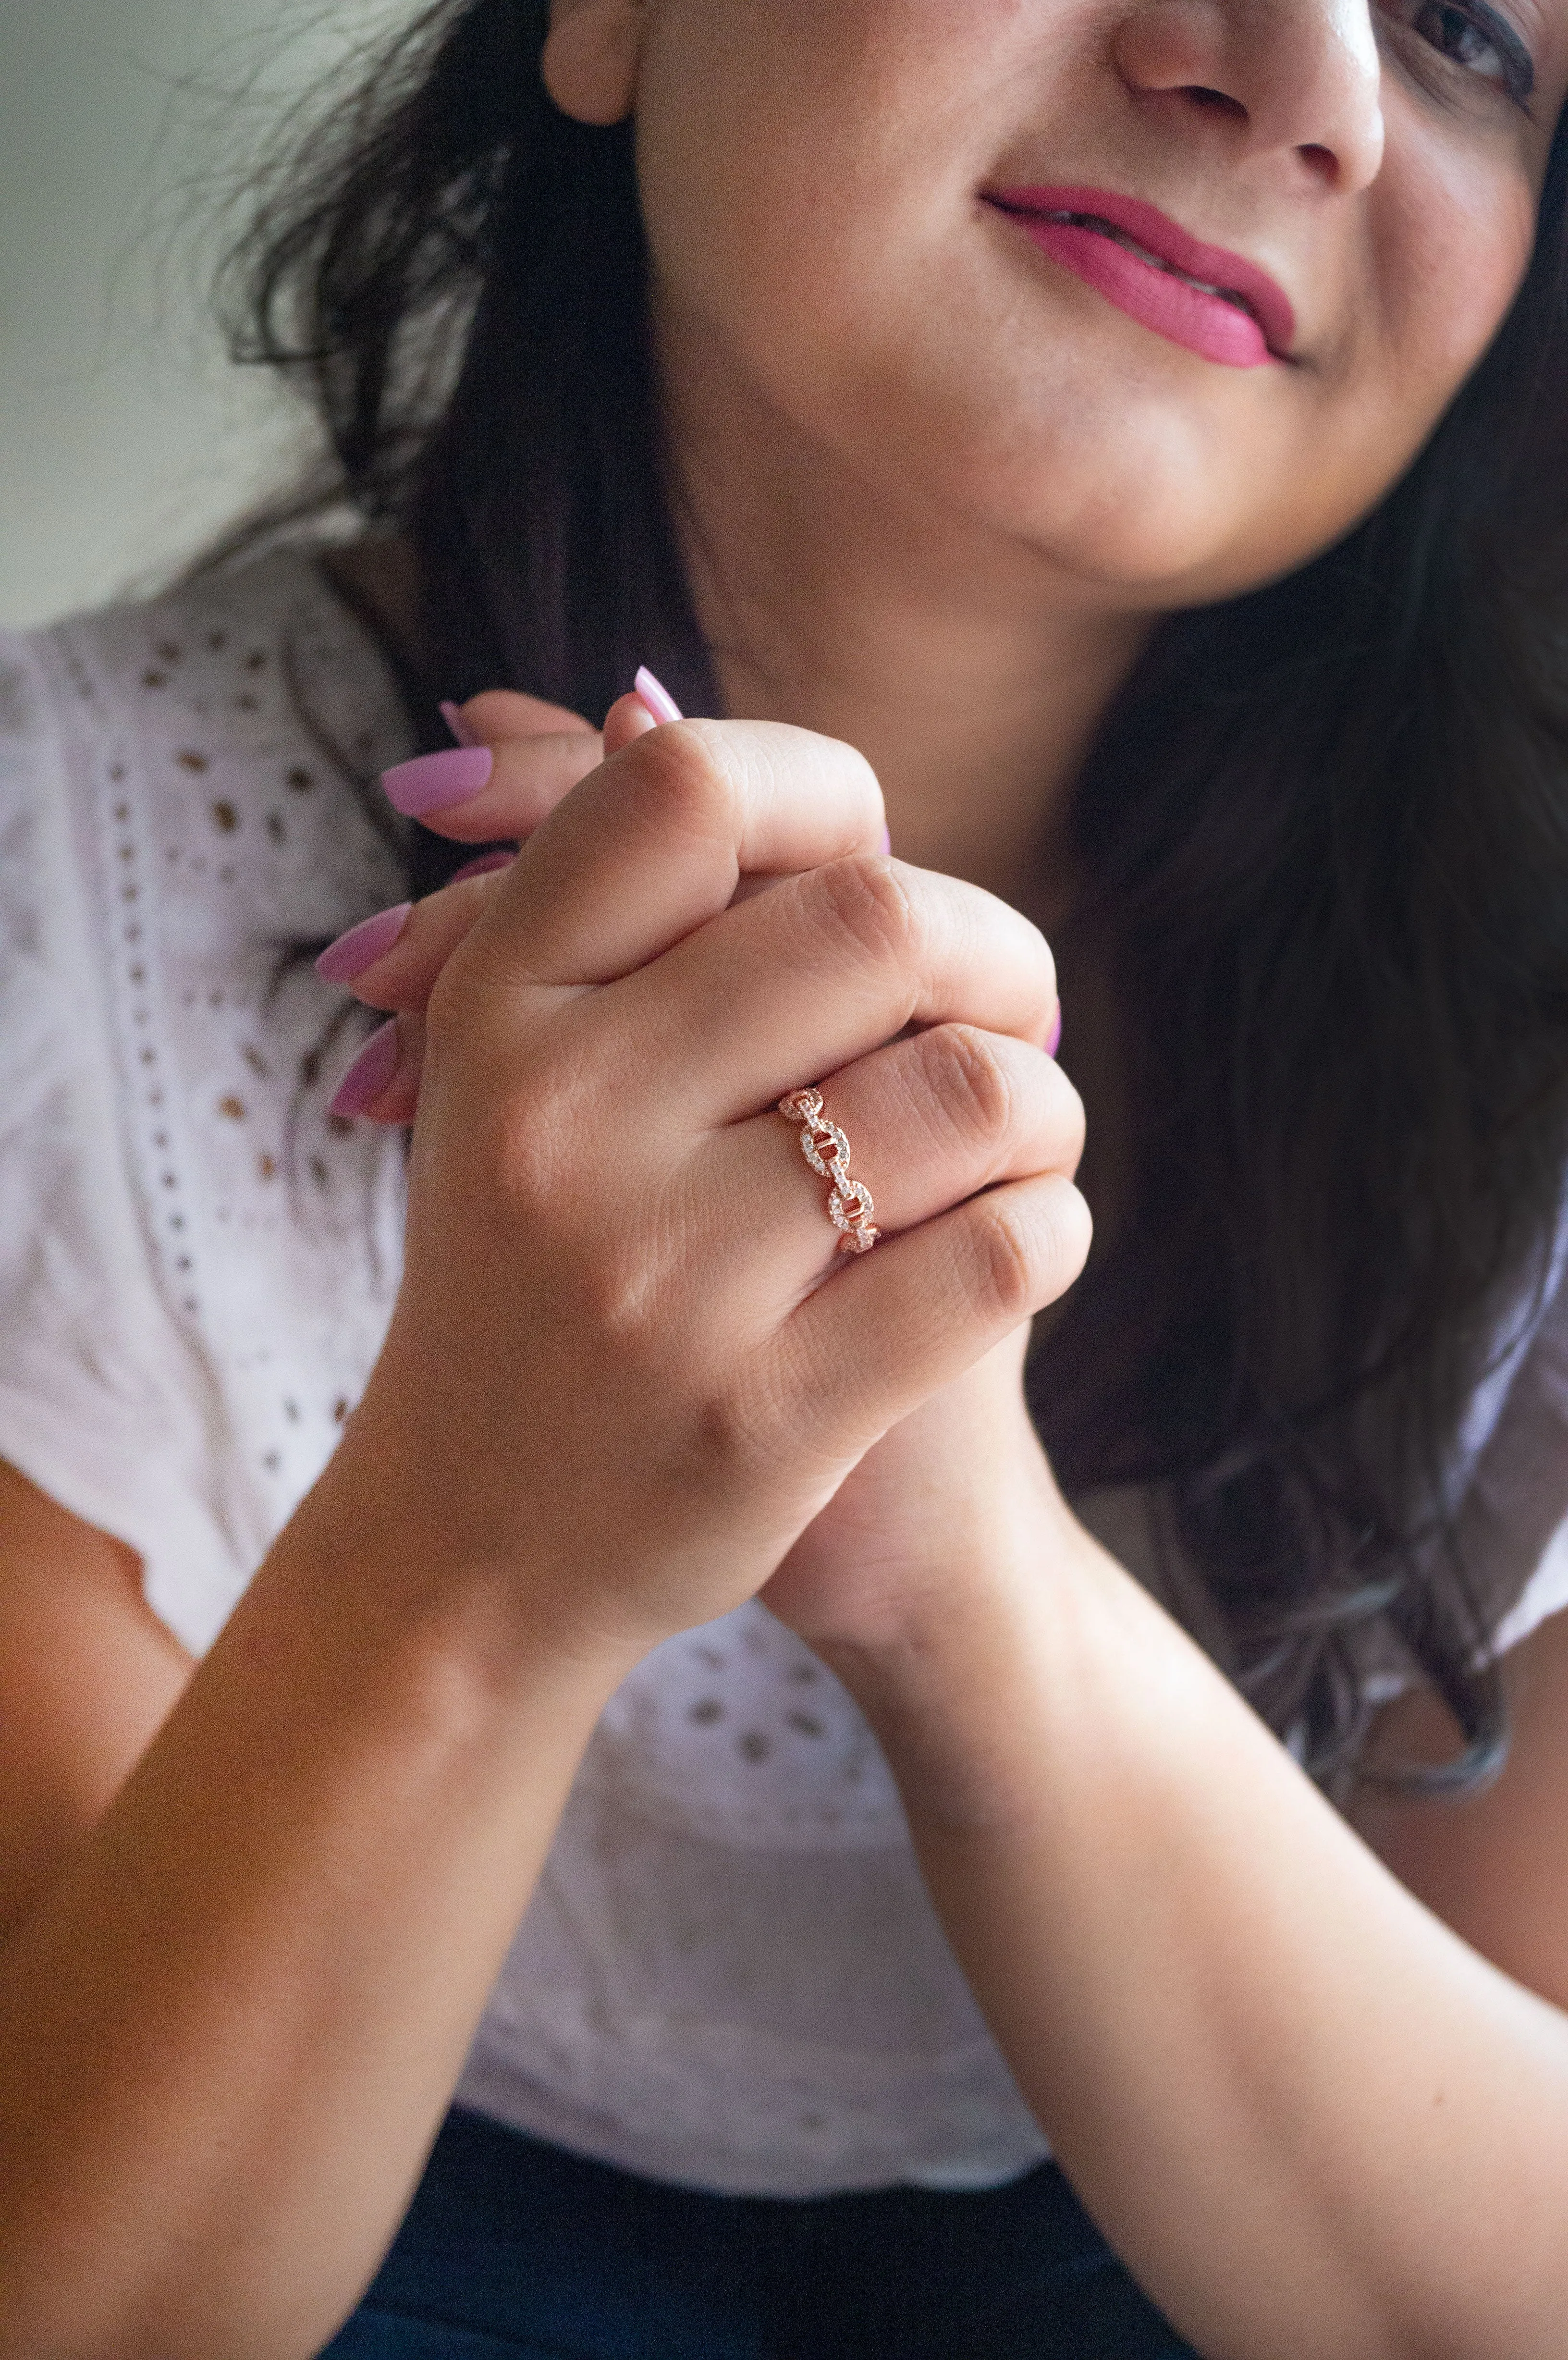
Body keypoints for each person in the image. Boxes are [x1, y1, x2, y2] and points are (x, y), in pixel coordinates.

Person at [3, 0, 1568, 2351]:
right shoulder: (51, 899)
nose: (1314, 79)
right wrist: (482, 1543)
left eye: (1467, 33)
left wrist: (964, 1576)